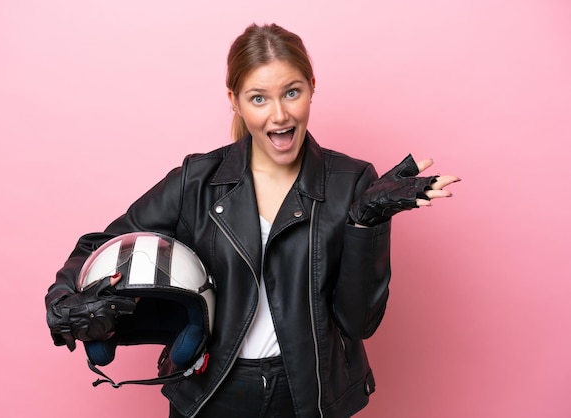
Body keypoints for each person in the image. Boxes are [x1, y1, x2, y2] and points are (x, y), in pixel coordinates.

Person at [45, 23, 460, 418]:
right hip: (213, 391)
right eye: (259, 98)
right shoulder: (198, 179)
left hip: (307, 396)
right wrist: (64, 300)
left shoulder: (352, 181)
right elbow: (99, 244)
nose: (279, 115)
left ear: (312, 88)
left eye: (291, 92)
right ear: (235, 100)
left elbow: (358, 322)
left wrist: (366, 224)